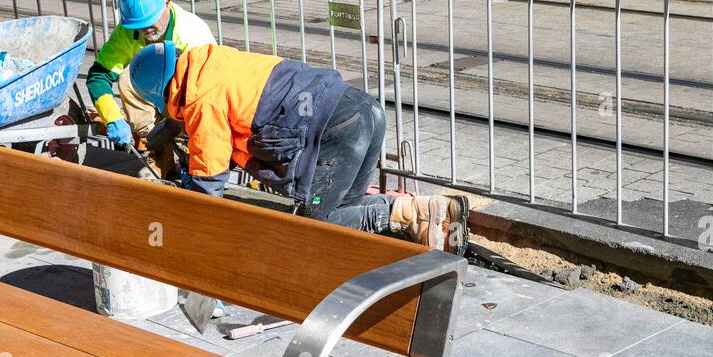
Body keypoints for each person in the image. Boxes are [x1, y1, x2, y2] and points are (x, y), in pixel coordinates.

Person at [127, 40, 470, 252]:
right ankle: (431, 215)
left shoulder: (201, 99)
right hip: (364, 109)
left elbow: (209, 180)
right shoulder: (216, 64)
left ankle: (412, 211)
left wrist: (197, 233)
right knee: (344, 213)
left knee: (314, 226)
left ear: (159, 93)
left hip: (337, 130)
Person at [86, 0, 216, 176]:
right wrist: (112, 119)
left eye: (150, 21)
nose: (146, 30)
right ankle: (159, 155)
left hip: (193, 100)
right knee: (128, 80)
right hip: (163, 95)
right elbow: (98, 77)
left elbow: (209, 100)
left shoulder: (193, 35)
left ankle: (193, 161)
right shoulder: (128, 31)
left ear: (167, 2)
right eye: (139, 25)